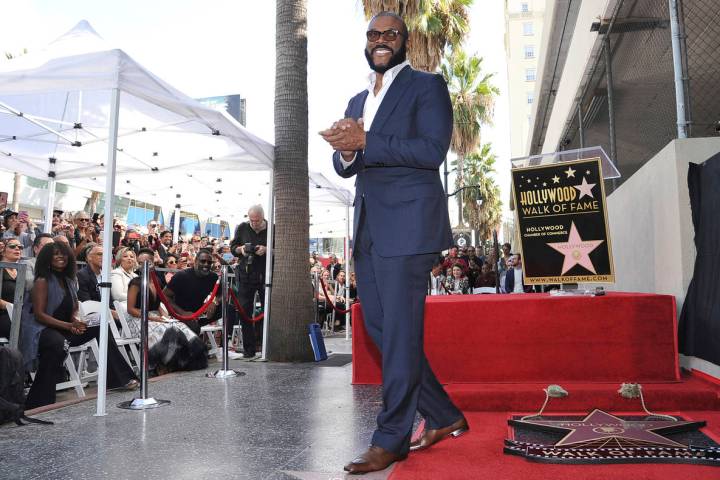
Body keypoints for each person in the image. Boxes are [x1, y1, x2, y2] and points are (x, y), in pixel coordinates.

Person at [321, 12, 467, 474]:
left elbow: (431, 151)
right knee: (382, 330)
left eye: (390, 34)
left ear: (405, 41)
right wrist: (346, 149)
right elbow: (349, 165)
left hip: (408, 227)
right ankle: (444, 415)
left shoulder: (427, 86)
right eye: (373, 35)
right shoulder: (358, 97)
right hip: (368, 229)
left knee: (400, 332)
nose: (380, 41)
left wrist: (367, 139)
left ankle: (391, 438)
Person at [20, 242, 138, 409]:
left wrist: (75, 321)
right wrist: (69, 326)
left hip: (64, 327)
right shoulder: (42, 280)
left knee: (100, 327)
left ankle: (118, 380)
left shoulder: (69, 281)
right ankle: (39, 401)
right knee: (57, 344)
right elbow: (40, 315)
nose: (61, 257)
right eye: (56, 254)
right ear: (47, 257)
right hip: (42, 329)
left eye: (64, 254)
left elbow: (72, 309)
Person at [125, 252, 207, 374]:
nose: (144, 266)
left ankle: (179, 362)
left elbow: (158, 304)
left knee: (179, 326)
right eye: (141, 263)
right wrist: (155, 318)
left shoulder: (157, 280)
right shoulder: (135, 283)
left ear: (153, 264)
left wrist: (164, 316)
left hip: (155, 316)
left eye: (147, 262)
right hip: (139, 318)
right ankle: (161, 364)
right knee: (166, 330)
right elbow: (131, 309)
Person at [230, 205, 268, 358]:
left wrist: (266, 250)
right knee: (244, 312)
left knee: (267, 312)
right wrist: (241, 250)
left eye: (257, 221)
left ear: (263, 217)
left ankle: (265, 347)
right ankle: (248, 350)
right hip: (246, 276)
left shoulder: (273, 228)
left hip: (265, 275)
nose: (254, 224)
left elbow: (280, 248)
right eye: (251, 220)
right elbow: (233, 248)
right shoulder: (242, 228)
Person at [163, 249, 219, 336]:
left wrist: (214, 302)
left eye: (209, 262)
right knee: (194, 327)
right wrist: (183, 313)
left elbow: (222, 294)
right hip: (180, 315)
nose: (206, 264)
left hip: (200, 314)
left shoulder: (213, 277)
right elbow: (165, 296)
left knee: (228, 309)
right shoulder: (182, 276)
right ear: (195, 261)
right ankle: (193, 347)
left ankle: (226, 343)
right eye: (203, 261)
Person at [0, 238, 24, 338]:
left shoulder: (22, 270)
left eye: (20, 247)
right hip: (3, 315)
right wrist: (13, 308)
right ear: (3, 251)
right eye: (12, 246)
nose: (17, 249)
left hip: (20, 314)